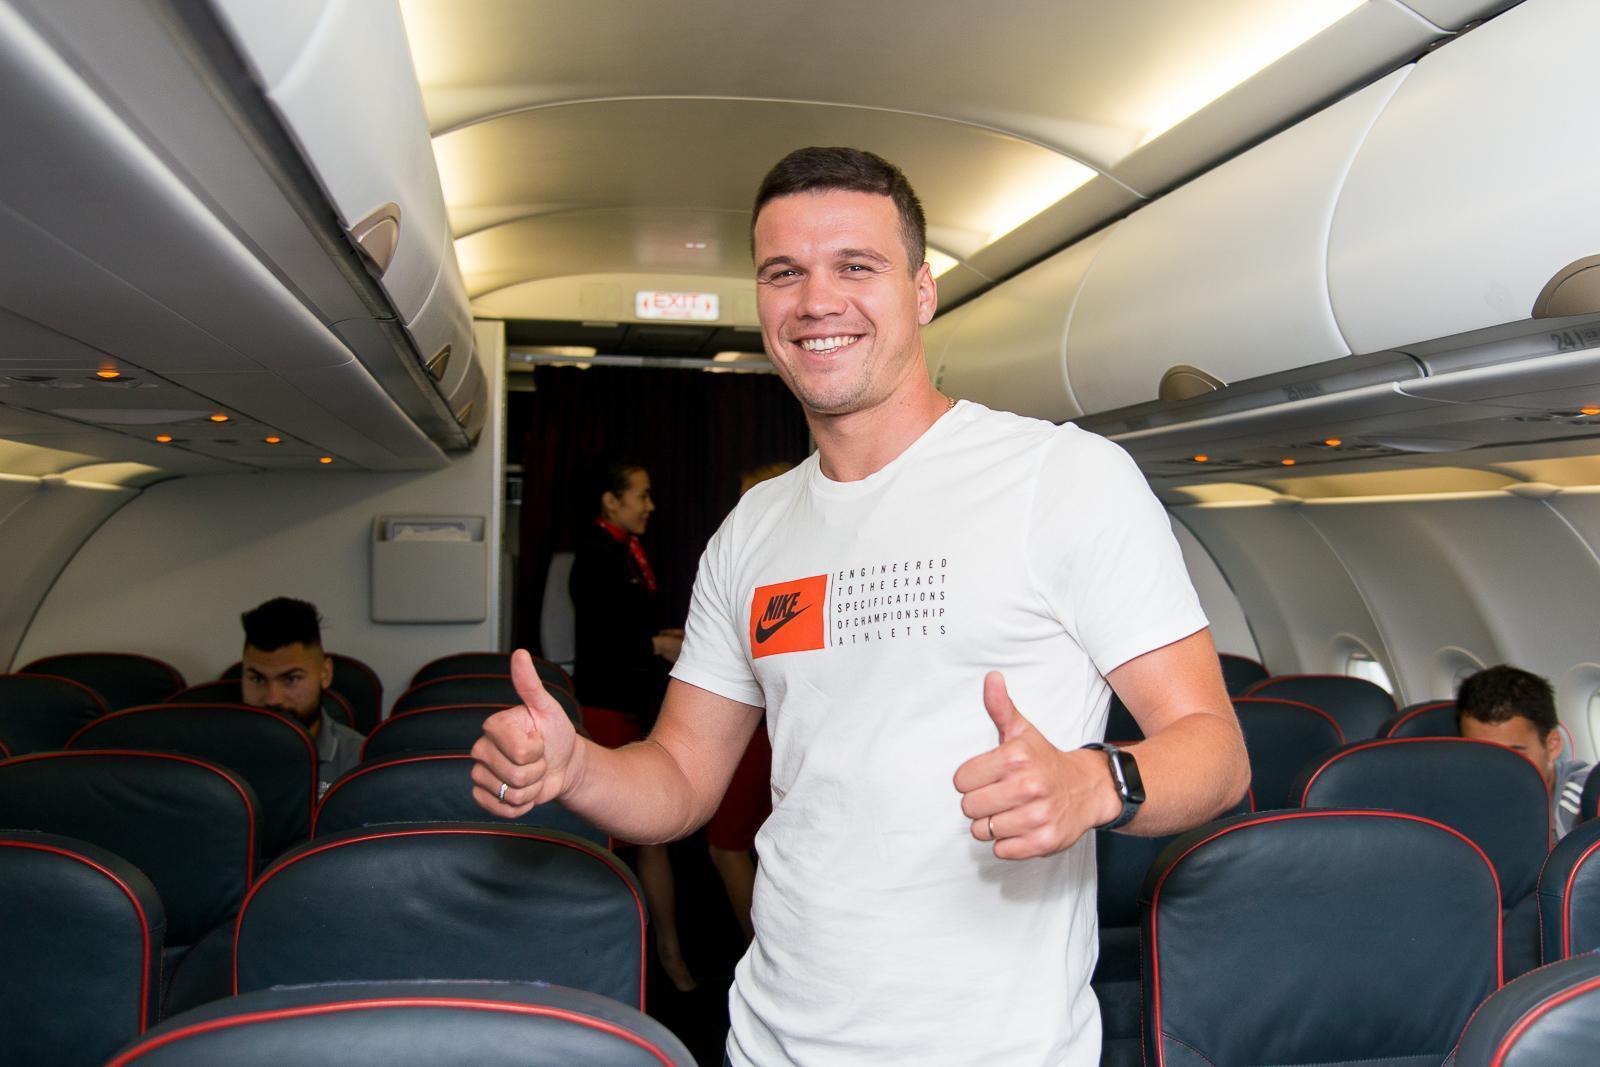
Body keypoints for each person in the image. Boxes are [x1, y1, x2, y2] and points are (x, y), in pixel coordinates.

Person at [473, 147, 1250, 1065]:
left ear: (921, 291)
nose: (816, 300)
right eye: (783, 272)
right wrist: (576, 768)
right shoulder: (751, 531)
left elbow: (1216, 753)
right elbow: (680, 775)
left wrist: (1093, 782)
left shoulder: (1064, 478)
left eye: (855, 266)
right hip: (772, 1040)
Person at [568, 459, 695, 992]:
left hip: (633, 702)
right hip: (607, 707)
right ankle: (638, 958)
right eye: (640, 495)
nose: (650, 505)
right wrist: (655, 646)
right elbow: (605, 641)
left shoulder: (624, 551)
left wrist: (659, 637)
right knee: (624, 837)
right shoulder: (596, 556)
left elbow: (625, 625)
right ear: (611, 500)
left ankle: (660, 953)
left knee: (650, 834)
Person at [702, 462, 791, 945]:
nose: (743, 513)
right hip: (759, 730)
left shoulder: (775, 563)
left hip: (761, 732)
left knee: (728, 845)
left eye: (751, 500)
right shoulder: (743, 562)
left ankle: (758, 947)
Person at [240, 596, 363, 799]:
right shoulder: (215, 756)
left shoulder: (359, 761)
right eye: (257, 679)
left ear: (325, 674)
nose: (273, 699)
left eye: (291, 679)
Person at [1457, 665, 1593, 840]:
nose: (1494, 772)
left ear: (1552, 745)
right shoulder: (1456, 805)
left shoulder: (1584, 803)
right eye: (1479, 756)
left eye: (1512, 757)